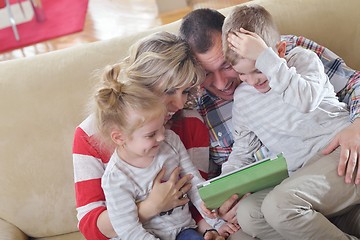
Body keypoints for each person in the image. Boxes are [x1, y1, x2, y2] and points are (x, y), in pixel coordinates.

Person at [179, 7, 360, 220]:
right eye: (207, 74)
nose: (222, 83)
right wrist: (222, 199)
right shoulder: (200, 105)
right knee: (251, 216)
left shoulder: (291, 55)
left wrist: (358, 124)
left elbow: (352, 84)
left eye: (227, 65)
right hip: (289, 183)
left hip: (331, 156)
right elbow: (240, 154)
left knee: (282, 206)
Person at [72, 31, 239, 240]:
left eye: (185, 91)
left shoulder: (190, 123)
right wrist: (150, 207)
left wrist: (211, 226)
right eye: (169, 91)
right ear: (142, 84)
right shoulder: (89, 135)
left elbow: (194, 197)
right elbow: (90, 226)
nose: (178, 104)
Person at [92, 71, 232, 239]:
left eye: (162, 126)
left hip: (184, 231)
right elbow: (129, 230)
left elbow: (193, 181)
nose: (161, 136)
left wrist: (215, 221)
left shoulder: (170, 141)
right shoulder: (116, 177)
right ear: (119, 137)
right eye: (151, 135)